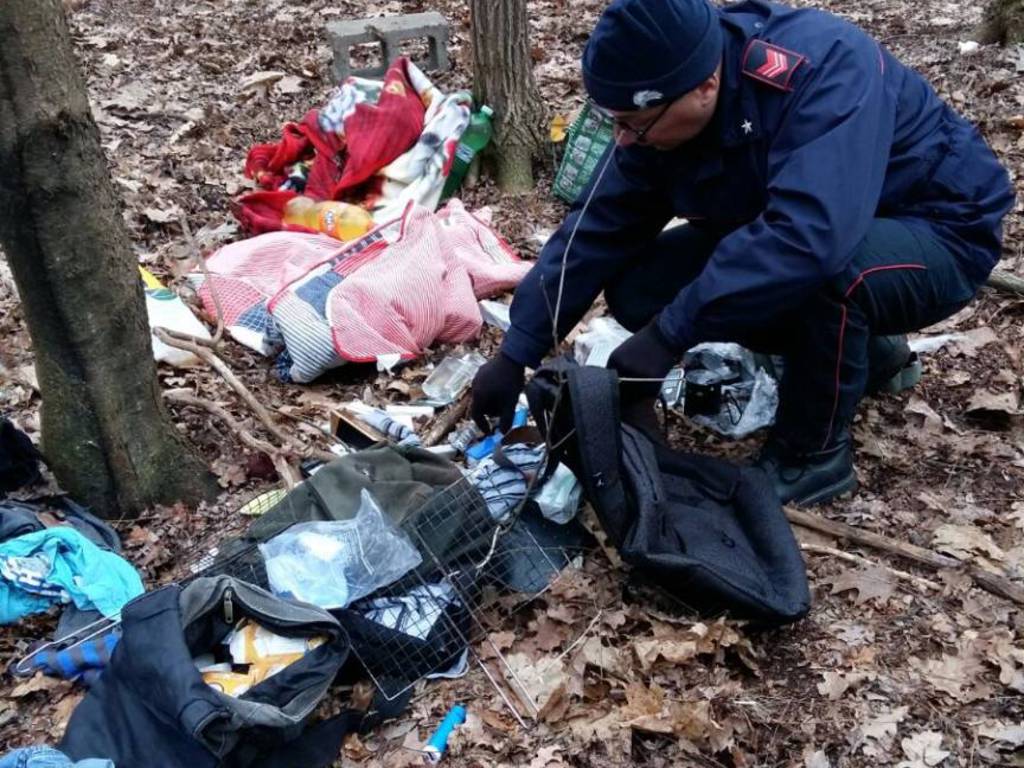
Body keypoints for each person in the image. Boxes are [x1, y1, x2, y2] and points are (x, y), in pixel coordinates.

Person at [470, 0, 1015, 506]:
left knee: (827, 274)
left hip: (940, 229)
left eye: (635, 125)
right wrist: (516, 352)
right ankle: (869, 354)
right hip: (820, 228)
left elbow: (810, 236)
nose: (625, 141)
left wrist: (668, 337)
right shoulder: (661, 103)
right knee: (643, 287)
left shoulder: (820, 68)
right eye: (616, 122)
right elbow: (598, 228)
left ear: (706, 85)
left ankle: (814, 454)